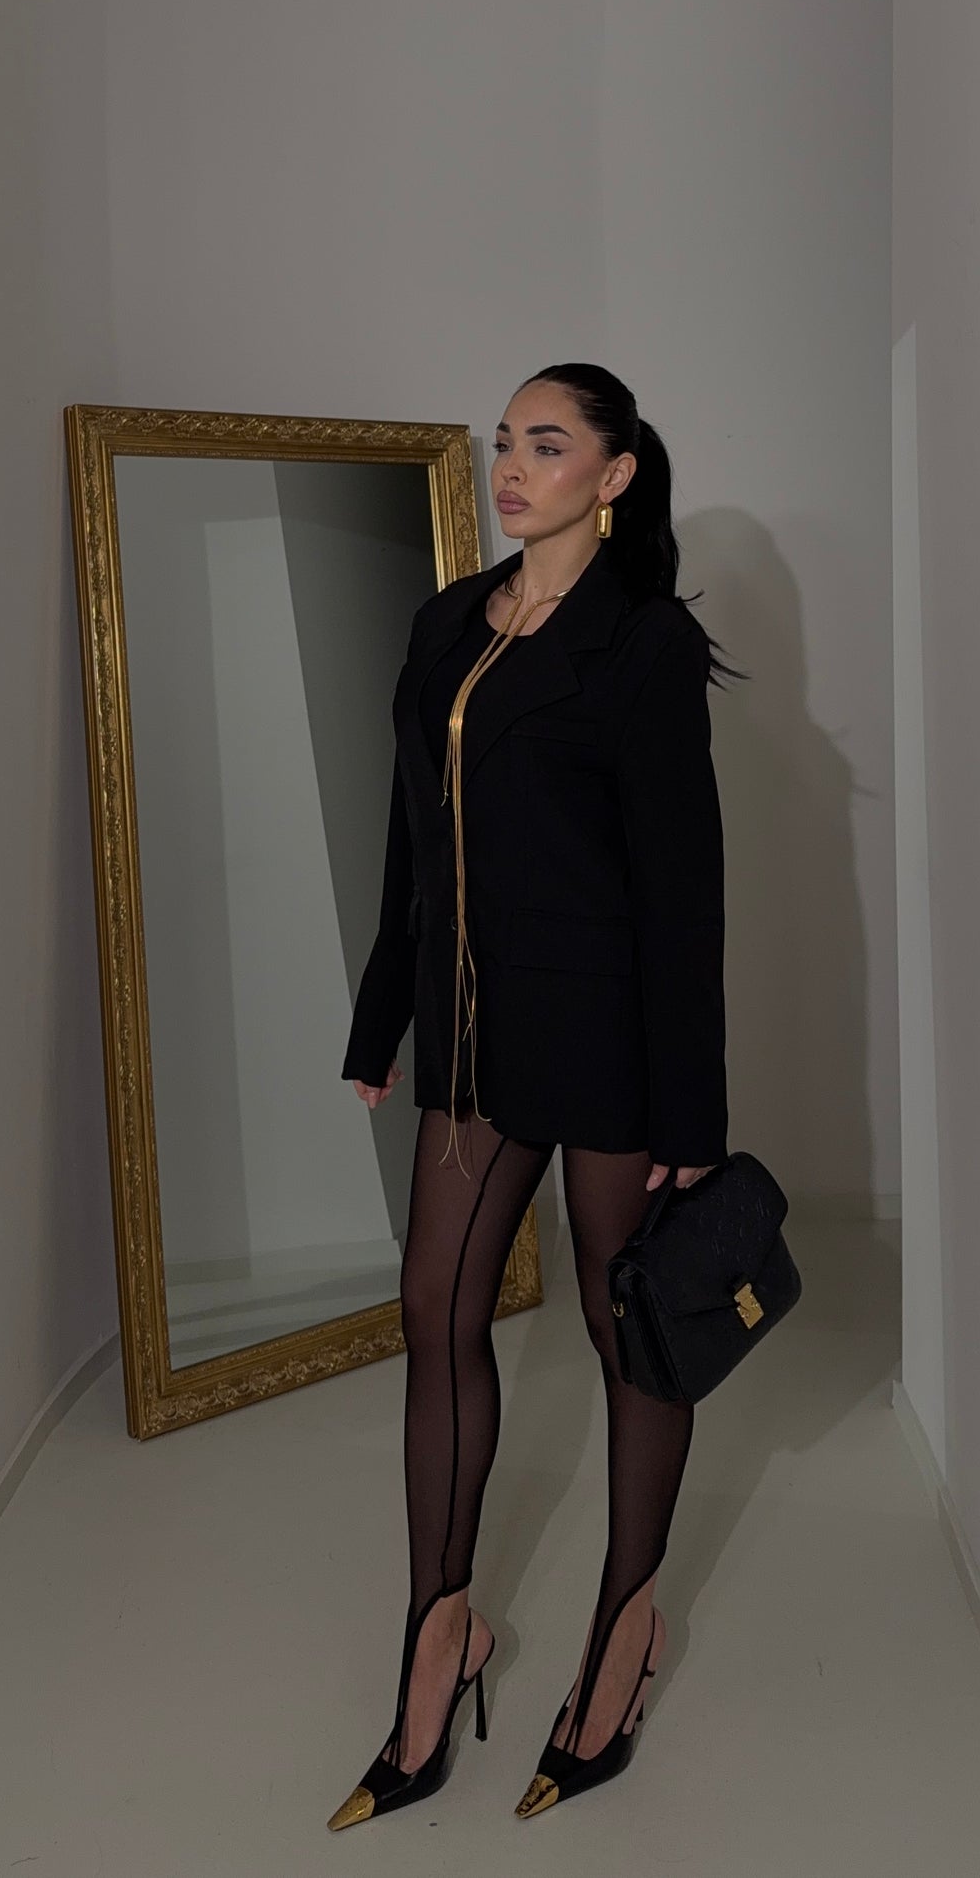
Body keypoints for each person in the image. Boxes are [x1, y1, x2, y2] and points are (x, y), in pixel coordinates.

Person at [328, 361, 744, 1831]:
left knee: (627, 1334)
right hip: (473, 1034)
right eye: (505, 441)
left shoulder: (644, 643)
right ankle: (440, 1638)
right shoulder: (448, 621)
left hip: (613, 1038)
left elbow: (682, 896)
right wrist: (381, 1016)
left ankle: (623, 1639)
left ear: (612, 475)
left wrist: (690, 1120)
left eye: (547, 444)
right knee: (434, 1310)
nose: (513, 466)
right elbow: (413, 840)